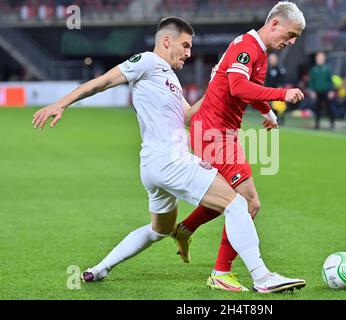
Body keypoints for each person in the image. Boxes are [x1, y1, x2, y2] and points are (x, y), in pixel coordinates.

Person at [31, 16, 306, 294]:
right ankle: (260, 276)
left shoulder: (170, 78)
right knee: (238, 204)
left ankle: (99, 268)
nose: (188, 53)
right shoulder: (147, 62)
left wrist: (217, 82)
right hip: (169, 160)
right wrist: (61, 103)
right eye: (185, 46)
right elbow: (101, 82)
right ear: (166, 41)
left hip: (153, 167)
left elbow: (188, 116)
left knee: (159, 230)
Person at [172, 2, 306, 292]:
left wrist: (268, 111)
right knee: (248, 203)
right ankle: (223, 272)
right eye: (291, 34)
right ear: (274, 24)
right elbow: (238, 87)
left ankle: (186, 228)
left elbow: (251, 89)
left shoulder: (258, 52)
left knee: (229, 198)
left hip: (221, 133)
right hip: (213, 133)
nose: (292, 41)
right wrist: (282, 94)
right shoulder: (247, 47)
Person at [308, 51, 335, 129]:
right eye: (318, 58)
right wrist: (312, 91)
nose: (320, 60)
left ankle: (332, 122)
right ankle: (317, 124)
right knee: (317, 108)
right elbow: (311, 81)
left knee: (329, 107)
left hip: (326, 91)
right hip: (317, 92)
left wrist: (331, 90)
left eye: (321, 58)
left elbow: (330, 80)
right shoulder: (313, 69)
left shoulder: (327, 69)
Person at [265, 52, 287, 125]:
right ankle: (273, 120)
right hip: (270, 91)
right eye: (271, 59)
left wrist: (280, 87)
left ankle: (280, 120)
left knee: (280, 107)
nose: (272, 61)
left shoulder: (280, 68)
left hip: (278, 91)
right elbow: (266, 80)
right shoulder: (267, 69)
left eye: (273, 59)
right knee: (271, 107)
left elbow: (282, 79)